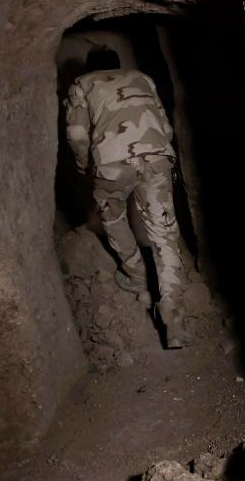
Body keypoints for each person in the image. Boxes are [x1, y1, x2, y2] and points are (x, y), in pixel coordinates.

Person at [64, 48, 190, 348]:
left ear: (91, 67)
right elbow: (167, 127)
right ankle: (174, 319)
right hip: (157, 158)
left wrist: (84, 166)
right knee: (163, 235)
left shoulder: (82, 84)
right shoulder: (142, 79)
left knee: (113, 217)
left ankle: (136, 276)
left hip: (111, 165)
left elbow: (77, 133)